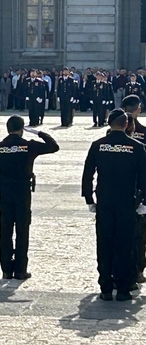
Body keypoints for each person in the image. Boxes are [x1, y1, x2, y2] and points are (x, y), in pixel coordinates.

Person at [82, 109, 146, 301]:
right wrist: (144, 202)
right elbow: (144, 178)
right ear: (126, 124)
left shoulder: (98, 145)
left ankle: (106, 287)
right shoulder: (136, 147)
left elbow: (87, 174)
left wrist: (89, 199)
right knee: (125, 244)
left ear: (109, 124)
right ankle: (124, 288)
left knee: (105, 243)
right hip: (127, 202)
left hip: (105, 201)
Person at [0, 115, 59, 280]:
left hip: (5, 192)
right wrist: (38, 132)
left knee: (5, 231)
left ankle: (6, 269)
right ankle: (20, 269)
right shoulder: (28, 146)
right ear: (21, 129)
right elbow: (54, 146)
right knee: (22, 230)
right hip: (22, 192)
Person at [121, 95, 146, 284]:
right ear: (137, 109)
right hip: (138, 191)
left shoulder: (111, 133)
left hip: (118, 192)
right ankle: (136, 270)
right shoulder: (143, 132)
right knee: (139, 234)